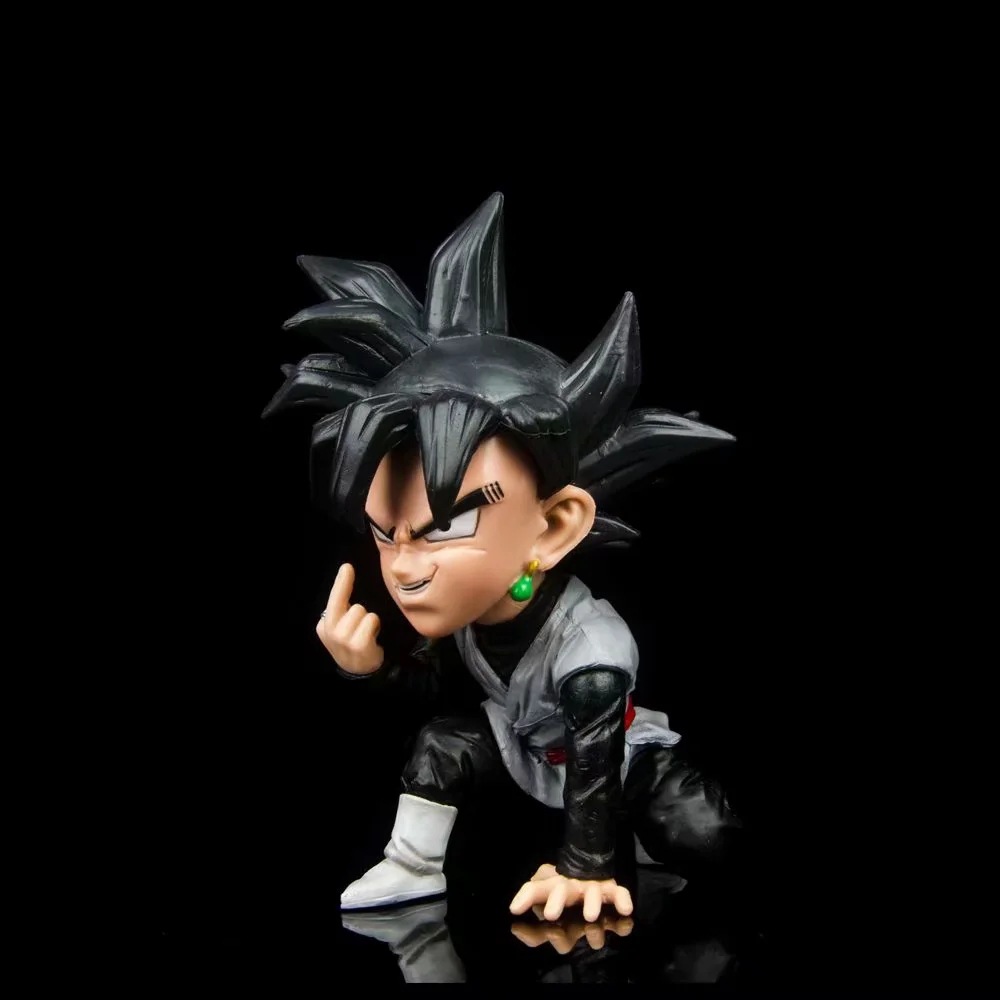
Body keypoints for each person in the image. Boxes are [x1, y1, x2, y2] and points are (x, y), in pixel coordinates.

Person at [263, 193, 745, 922]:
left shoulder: (592, 653)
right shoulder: (467, 609)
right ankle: (411, 863)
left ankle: (639, 847)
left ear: (555, 525)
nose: (405, 567)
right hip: (522, 753)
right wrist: (369, 668)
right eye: (386, 533)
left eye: (446, 528)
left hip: (614, 762)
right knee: (441, 744)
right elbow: (434, 693)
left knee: (702, 833)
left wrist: (585, 866)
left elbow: (593, 759)